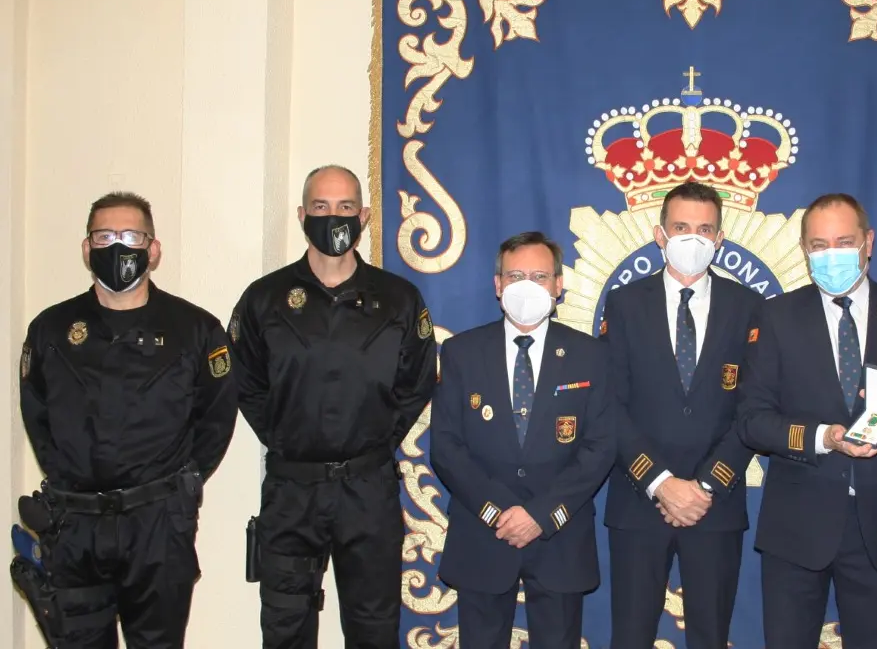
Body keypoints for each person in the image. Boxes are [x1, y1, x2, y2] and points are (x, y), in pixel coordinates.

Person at [14, 191, 237, 648]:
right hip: (75, 525)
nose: (118, 247)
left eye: (131, 236)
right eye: (104, 237)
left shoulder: (195, 329)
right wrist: (66, 477)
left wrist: (185, 482)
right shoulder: (52, 329)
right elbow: (37, 414)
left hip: (158, 524)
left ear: (153, 250)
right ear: (86, 248)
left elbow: (216, 416)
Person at [228, 165, 437, 649]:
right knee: (285, 627)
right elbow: (246, 383)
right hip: (292, 490)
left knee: (373, 628)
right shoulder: (264, 299)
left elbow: (416, 382)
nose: (333, 217)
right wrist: (286, 437)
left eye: (345, 207)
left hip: (368, 489)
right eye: (321, 207)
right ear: (302, 215)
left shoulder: (398, 299)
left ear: (363, 216)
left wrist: (375, 441)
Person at [736, 193, 877, 649]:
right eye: (819, 245)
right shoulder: (776, 317)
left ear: (869, 242)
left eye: (844, 242)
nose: (832, 255)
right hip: (796, 527)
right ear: (804, 251)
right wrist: (824, 438)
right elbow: (751, 421)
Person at [431, 231, 615, 649]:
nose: (527, 286)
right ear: (498, 285)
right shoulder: (461, 352)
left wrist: (541, 515)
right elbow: (446, 447)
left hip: (559, 535)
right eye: (515, 276)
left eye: (539, 276)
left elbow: (600, 446)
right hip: (482, 533)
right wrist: (498, 512)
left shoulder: (591, 355)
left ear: (558, 285)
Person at [600, 182, 763, 649]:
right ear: (660, 234)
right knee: (630, 637)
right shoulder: (625, 303)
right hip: (639, 501)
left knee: (711, 637)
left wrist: (705, 486)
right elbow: (610, 406)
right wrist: (660, 483)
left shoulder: (747, 306)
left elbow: (753, 408)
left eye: (705, 229)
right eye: (681, 227)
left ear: (720, 239)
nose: (693, 238)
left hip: (716, 505)